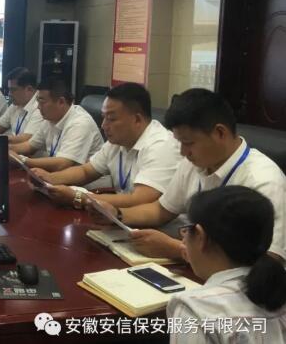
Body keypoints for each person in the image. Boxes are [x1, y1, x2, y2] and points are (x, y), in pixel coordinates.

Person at [91, 88, 286, 261]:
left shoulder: (263, 181)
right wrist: (118, 214)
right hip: (199, 267)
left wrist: (178, 250)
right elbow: (162, 210)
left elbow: (269, 260)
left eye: (189, 143)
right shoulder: (195, 162)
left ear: (220, 133)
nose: (183, 152)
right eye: (180, 143)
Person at [168, 186, 286, 344]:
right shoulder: (276, 290)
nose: (184, 239)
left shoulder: (196, 308)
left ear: (200, 236)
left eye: (186, 229)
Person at [31, 82, 181, 208]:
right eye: (103, 118)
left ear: (137, 119)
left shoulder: (161, 146)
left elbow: (140, 200)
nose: (103, 125)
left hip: (160, 229)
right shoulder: (117, 141)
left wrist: (79, 197)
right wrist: (50, 179)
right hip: (121, 217)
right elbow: (86, 171)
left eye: (111, 119)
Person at [9, 78, 103, 172]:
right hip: (59, 176)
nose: (38, 107)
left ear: (61, 102)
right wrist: (7, 149)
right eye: (38, 101)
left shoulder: (80, 123)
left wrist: (22, 160)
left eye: (42, 102)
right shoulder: (51, 118)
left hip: (87, 181)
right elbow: (30, 146)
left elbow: (62, 164)